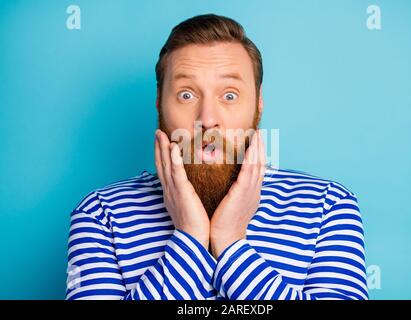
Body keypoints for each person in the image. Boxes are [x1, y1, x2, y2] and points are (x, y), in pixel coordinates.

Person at [66, 14, 368, 300]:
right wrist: (189, 237)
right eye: (186, 95)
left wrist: (231, 242)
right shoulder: (100, 214)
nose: (207, 119)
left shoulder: (328, 207)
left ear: (258, 104)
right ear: (159, 103)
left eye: (230, 95)